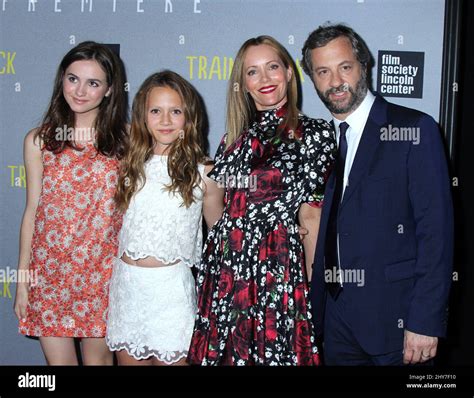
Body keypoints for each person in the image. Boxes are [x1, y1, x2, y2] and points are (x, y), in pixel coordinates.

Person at [301, 23, 453, 366]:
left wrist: (424, 321)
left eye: (345, 67)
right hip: (335, 320)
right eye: (322, 71)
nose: (335, 81)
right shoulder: (323, 140)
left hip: (396, 322)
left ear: (364, 65)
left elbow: (437, 234)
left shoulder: (414, 129)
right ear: (312, 79)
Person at [187, 35, 336, 366]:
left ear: (288, 72)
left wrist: (311, 293)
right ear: (243, 83)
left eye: (272, 67)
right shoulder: (231, 140)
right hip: (225, 276)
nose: (265, 79)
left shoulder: (315, 134)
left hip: (276, 272)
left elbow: (311, 218)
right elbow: (218, 213)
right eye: (253, 72)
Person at [13, 41, 128, 365]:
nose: (80, 90)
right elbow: (32, 210)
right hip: (50, 274)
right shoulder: (39, 140)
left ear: (108, 90)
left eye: (93, 83)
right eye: (73, 78)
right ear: (61, 79)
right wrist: (23, 282)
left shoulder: (127, 141)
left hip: (103, 275)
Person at [106, 70, 224, 366]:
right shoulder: (127, 166)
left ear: (189, 117)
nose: (166, 120)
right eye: (156, 111)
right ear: (142, 116)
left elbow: (223, 235)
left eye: (176, 111)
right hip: (128, 289)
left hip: (172, 293)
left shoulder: (204, 173)